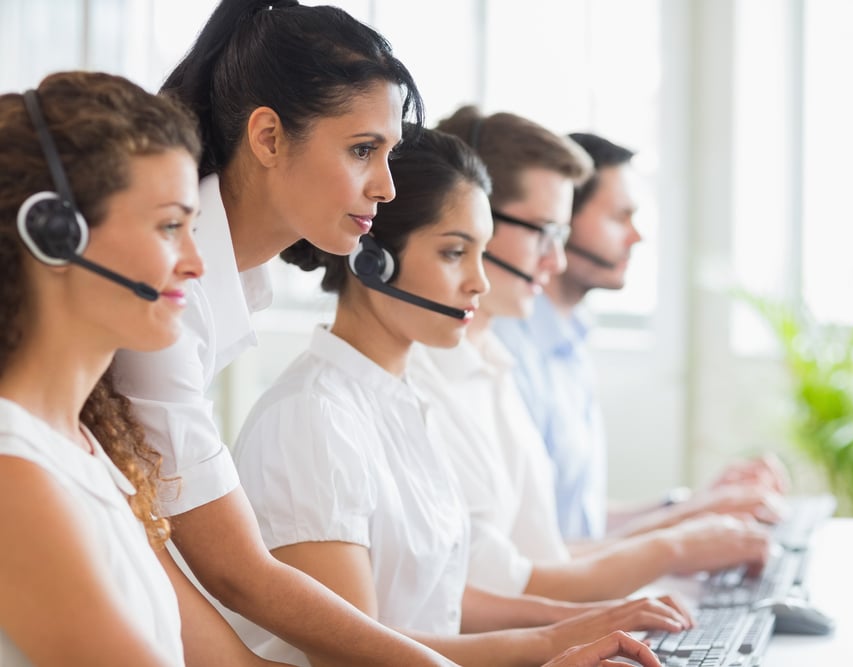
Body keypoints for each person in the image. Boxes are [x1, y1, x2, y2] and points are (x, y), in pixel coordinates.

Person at [230, 125, 692, 667]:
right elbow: (357, 652)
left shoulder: (398, 401)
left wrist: (584, 624)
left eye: (481, 253)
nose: (480, 283)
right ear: (370, 259)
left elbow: (437, 601)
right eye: (454, 253)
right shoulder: (311, 420)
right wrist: (549, 646)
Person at [109, 1, 458, 665]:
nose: (385, 186)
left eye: (389, 155)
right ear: (267, 137)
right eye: (363, 150)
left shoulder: (240, 282)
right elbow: (234, 570)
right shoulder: (164, 294)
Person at [403, 108, 771, 602]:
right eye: (546, 231)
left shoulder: (494, 359)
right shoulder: (438, 375)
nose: (554, 260)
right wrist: (676, 543)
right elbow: (492, 588)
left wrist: (688, 518)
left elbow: (546, 551)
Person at [0, 70, 292, 667]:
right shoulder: (15, 473)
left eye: (193, 227)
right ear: (54, 234)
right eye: (168, 227)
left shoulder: (87, 448)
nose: (194, 262)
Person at [492, 132, 789, 543]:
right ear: (560, 221)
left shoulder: (570, 341)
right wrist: (693, 527)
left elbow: (580, 524)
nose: (636, 236)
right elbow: (538, 556)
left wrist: (696, 504)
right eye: (619, 217)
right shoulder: (506, 348)